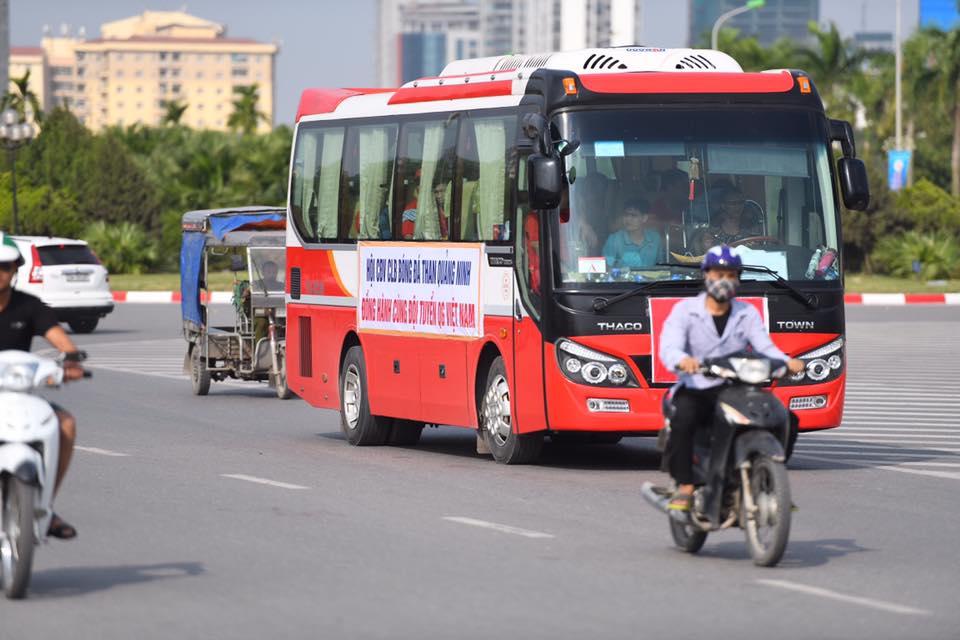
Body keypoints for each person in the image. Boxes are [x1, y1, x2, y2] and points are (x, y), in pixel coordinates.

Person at [657, 245, 805, 511]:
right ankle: (686, 486)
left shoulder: (746, 313)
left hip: (735, 388)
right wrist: (683, 360)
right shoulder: (685, 310)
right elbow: (669, 346)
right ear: (706, 276)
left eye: (730, 275)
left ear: (737, 279)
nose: (724, 280)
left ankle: (771, 483)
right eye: (718, 274)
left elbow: (765, 347)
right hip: (697, 386)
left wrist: (787, 362)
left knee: (785, 418)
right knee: (684, 419)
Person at [0, 232, 82, 539]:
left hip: (17, 395)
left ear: (16, 269)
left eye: (5, 266)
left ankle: (45, 507)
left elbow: (60, 339)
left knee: (65, 425)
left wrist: (71, 362)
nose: (0, 273)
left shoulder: (29, 306)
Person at [602, 198, 663, 269]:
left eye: (634, 215)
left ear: (644, 218)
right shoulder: (614, 240)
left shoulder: (655, 238)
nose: (628, 219)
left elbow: (661, 266)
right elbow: (607, 268)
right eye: (626, 215)